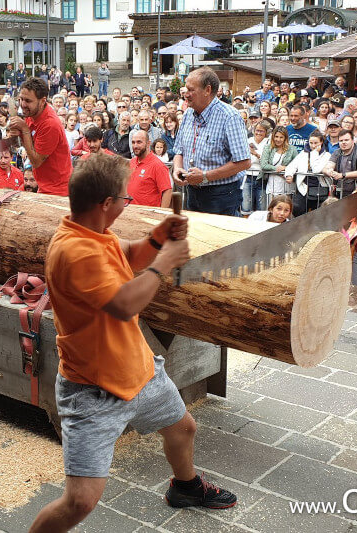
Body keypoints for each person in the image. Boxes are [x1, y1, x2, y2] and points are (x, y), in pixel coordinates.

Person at [34, 154, 236, 532]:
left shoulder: (93, 232)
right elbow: (124, 305)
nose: (128, 204)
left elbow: (128, 253)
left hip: (139, 370)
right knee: (80, 500)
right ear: (105, 204)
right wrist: (164, 264)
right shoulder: (75, 251)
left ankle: (186, 487)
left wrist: (158, 238)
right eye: (124, 199)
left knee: (183, 428)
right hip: (93, 391)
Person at [172, 67, 251, 216]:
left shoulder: (229, 117)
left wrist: (205, 176)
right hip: (192, 192)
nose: (185, 94)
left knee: (220, 239)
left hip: (221, 196)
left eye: (190, 90)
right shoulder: (188, 114)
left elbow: (244, 162)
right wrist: (177, 169)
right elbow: (179, 151)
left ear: (207, 90)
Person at [8, 78, 73, 196]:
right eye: (21, 99)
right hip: (44, 184)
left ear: (42, 101)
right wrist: (17, 135)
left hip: (58, 190)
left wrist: (24, 131)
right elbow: (26, 145)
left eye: (28, 101)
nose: (22, 104)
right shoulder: (31, 113)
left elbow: (36, 161)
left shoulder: (50, 124)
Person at [285, 131, 332, 216]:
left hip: (320, 189)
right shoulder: (303, 153)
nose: (313, 146)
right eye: (311, 143)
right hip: (304, 188)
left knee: (318, 215)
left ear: (321, 142)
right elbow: (292, 165)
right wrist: (289, 175)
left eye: (316, 143)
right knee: (298, 210)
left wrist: (314, 153)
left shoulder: (327, 155)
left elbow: (316, 170)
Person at [127, 130, 172, 207]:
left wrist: (161, 214)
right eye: (133, 142)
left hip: (147, 214)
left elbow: (167, 191)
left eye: (139, 142)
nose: (135, 146)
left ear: (148, 143)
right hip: (130, 211)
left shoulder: (158, 165)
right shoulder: (132, 162)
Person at [322, 129, 357, 197]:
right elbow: (325, 168)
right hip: (339, 190)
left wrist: (342, 175)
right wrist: (329, 171)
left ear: (353, 140)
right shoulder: (337, 152)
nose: (343, 142)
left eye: (346, 140)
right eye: (341, 141)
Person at [260, 126, 297, 204]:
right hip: (273, 183)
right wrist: (276, 168)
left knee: (286, 207)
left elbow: (297, 164)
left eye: (281, 137)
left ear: (285, 138)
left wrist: (286, 168)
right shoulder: (268, 148)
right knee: (272, 207)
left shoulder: (292, 149)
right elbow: (263, 165)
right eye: (276, 136)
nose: (278, 139)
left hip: (287, 183)